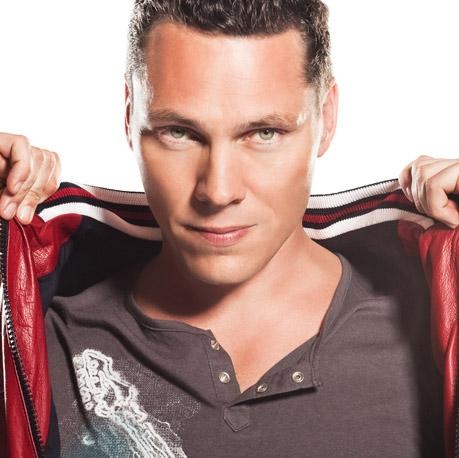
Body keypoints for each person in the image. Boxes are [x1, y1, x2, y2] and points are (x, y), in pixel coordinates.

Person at [2, 1, 459, 456]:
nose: (218, 191)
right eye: (179, 132)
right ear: (129, 116)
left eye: (264, 133)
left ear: (327, 117)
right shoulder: (40, 344)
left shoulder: (435, 332)